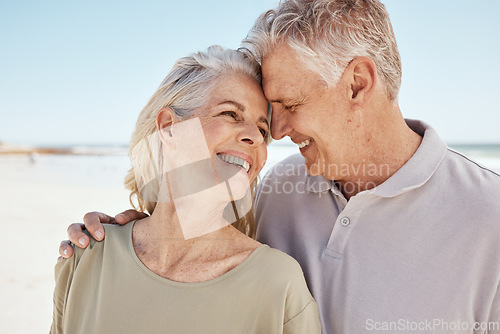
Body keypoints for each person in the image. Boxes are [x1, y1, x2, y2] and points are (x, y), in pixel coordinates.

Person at [60, 1, 500, 333]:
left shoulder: (490, 219)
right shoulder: (274, 189)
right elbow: (195, 254)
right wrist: (120, 237)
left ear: (358, 84)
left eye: (288, 105)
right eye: (268, 115)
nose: (280, 131)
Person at [50, 45, 321, 334]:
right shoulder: (87, 256)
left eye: (263, 130)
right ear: (168, 128)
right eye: (230, 114)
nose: (255, 137)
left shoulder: (279, 284)